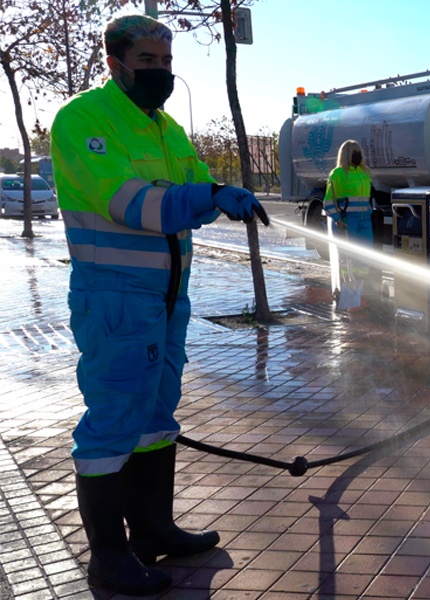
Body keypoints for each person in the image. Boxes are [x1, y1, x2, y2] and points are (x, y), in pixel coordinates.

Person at [50, 14, 268, 596]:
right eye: (148, 62)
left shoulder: (166, 129)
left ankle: (151, 531)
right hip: (115, 296)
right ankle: (109, 559)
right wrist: (207, 196)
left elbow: (195, 188)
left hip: (167, 298)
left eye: (167, 63)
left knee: (155, 415)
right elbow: (135, 204)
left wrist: (219, 195)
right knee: (114, 421)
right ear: (114, 62)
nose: (160, 73)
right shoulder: (84, 121)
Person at [323, 140, 375, 310]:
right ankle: (350, 287)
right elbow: (328, 201)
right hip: (346, 221)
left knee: (365, 254)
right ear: (346, 155)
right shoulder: (338, 174)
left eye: (359, 151)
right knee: (348, 257)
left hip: (364, 219)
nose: (358, 154)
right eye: (354, 151)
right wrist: (337, 219)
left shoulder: (365, 172)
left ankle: (360, 286)